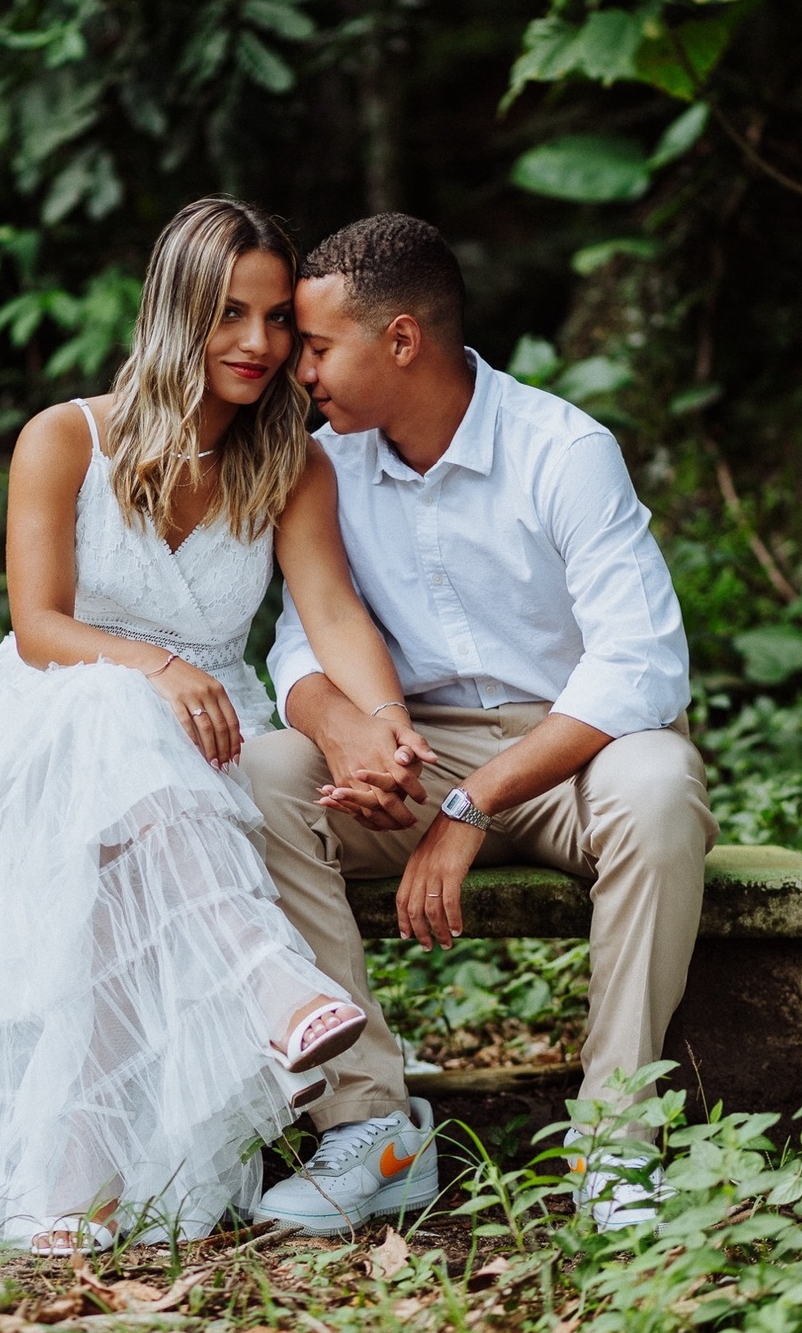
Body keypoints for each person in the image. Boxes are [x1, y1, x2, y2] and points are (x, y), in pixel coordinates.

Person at [0, 197, 438, 1253]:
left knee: (128, 869)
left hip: (203, 753)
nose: (258, 345)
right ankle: (262, 976)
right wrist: (156, 668)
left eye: (273, 320)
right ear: (174, 311)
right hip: (49, 731)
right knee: (109, 711)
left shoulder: (287, 463)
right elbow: (38, 628)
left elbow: (334, 612)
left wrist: (387, 723)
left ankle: (75, 1184)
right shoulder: (65, 439)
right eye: (229, 315)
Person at [245, 213, 719, 1237]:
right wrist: (343, 730)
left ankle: (616, 1143)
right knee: (266, 776)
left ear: (402, 339)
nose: (302, 371)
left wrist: (476, 804)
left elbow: (640, 663)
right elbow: (299, 644)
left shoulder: (562, 450)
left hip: (569, 752)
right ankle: (371, 1129)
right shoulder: (327, 465)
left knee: (661, 784)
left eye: (320, 347)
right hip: (412, 750)